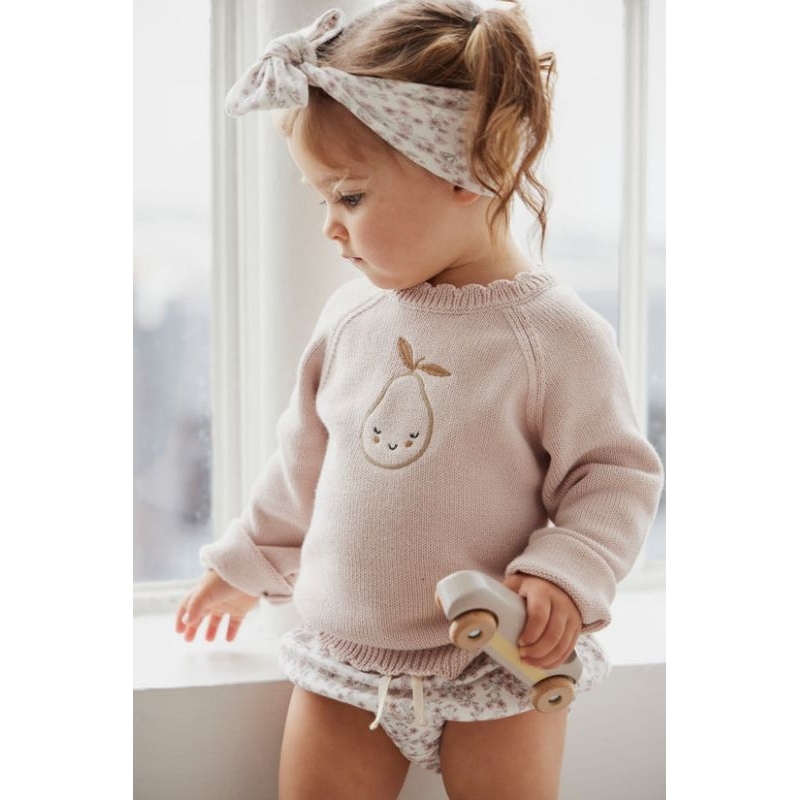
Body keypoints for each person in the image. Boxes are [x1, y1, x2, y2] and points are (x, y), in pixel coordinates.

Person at [174, 2, 664, 798]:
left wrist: (565, 574)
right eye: (322, 200)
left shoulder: (555, 336)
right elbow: (302, 464)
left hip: (497, 657)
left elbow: (613, 477)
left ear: (467, 167)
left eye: (350, 197)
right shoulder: (350, 319)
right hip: (344, 663)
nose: (331, 228)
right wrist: (249, 562)